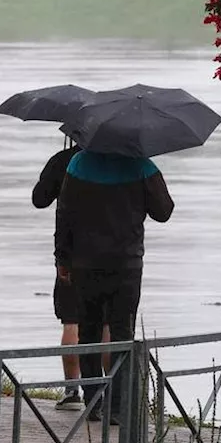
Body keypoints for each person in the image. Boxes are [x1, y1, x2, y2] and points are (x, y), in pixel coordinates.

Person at [55, 149, 174, 424]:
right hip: (126, 265)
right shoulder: (142, 166)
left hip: (85, 263)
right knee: (122, 333)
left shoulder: (78, 163)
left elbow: (65, 213)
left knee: (88, 331)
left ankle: (93, 400)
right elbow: (163, 211)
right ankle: (119, 408)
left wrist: (62, 257)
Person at [32, 141, 109, 411]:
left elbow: (39, 199)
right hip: (113, 256)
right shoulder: (119, 161)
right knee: (107, 325)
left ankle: (73, 391)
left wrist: (59, 168)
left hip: (73, 255)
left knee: (72, 321)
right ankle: (108, 393)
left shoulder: (64, 160)